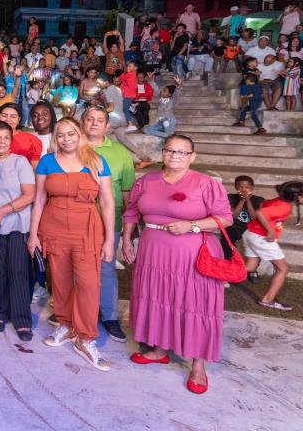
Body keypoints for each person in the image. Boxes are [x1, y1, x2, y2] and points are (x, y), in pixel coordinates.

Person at [123, 134, 232, 394]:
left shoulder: (205, 183)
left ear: (192, 157)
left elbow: (225, 218)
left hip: (191, 253)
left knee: (194, 304)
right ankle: (160, 349)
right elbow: (131, 212)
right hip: (153, 252)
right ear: (163, 153)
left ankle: (197, 365)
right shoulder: (147, 181)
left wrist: (191, 225)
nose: (175, 156)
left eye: (182, 152)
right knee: (158, 298)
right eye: (170, 150)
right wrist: (127, 239)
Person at [28, 118, 115, 372]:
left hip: (87, 228)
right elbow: (40, 200)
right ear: (56, 138)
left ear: (80, 135)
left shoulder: (96, 161)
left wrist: (110, 239)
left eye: (71, 134)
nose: (66, 139)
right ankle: (66, 325)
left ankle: (86, 338)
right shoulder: (47, 161)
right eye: (61, 135)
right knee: (60, 280)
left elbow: (107, 202)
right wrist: (33, 234)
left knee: (89, 283)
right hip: (53, 227)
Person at [82, 107, 135, 343]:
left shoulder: (120, 153)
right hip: (75, 221)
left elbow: (126, 193)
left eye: (99, 120)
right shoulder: (71, 147)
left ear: (107, 126)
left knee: (106, 268)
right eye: (90, 119)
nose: (94, 123)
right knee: (76, 268)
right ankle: (78, 312)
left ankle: (109, 316)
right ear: (83, 123)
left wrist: (127, 228)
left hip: (107, 221)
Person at [0, 121, 35, 341]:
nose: (2, 141)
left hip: (16, 224)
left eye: (6, 137)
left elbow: (29, 195)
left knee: (18, 270)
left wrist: (3, 211)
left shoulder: (19, 162)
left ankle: (22, 319)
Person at [243, 181, 303, 312]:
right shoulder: (285, 207)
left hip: (251, 234)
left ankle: (217, 275)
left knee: (250, 267)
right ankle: (267, 300)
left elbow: (263, 207)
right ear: (297, 197)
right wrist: (270, 230)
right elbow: (261, 212)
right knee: (283, 269)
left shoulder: (279, 201)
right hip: (262, 238)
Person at [0, 103, 42, 168]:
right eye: (4, 116)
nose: (8, 119)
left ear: (19, 119)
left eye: (13, 117)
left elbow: (35, 169)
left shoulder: (31, 140)